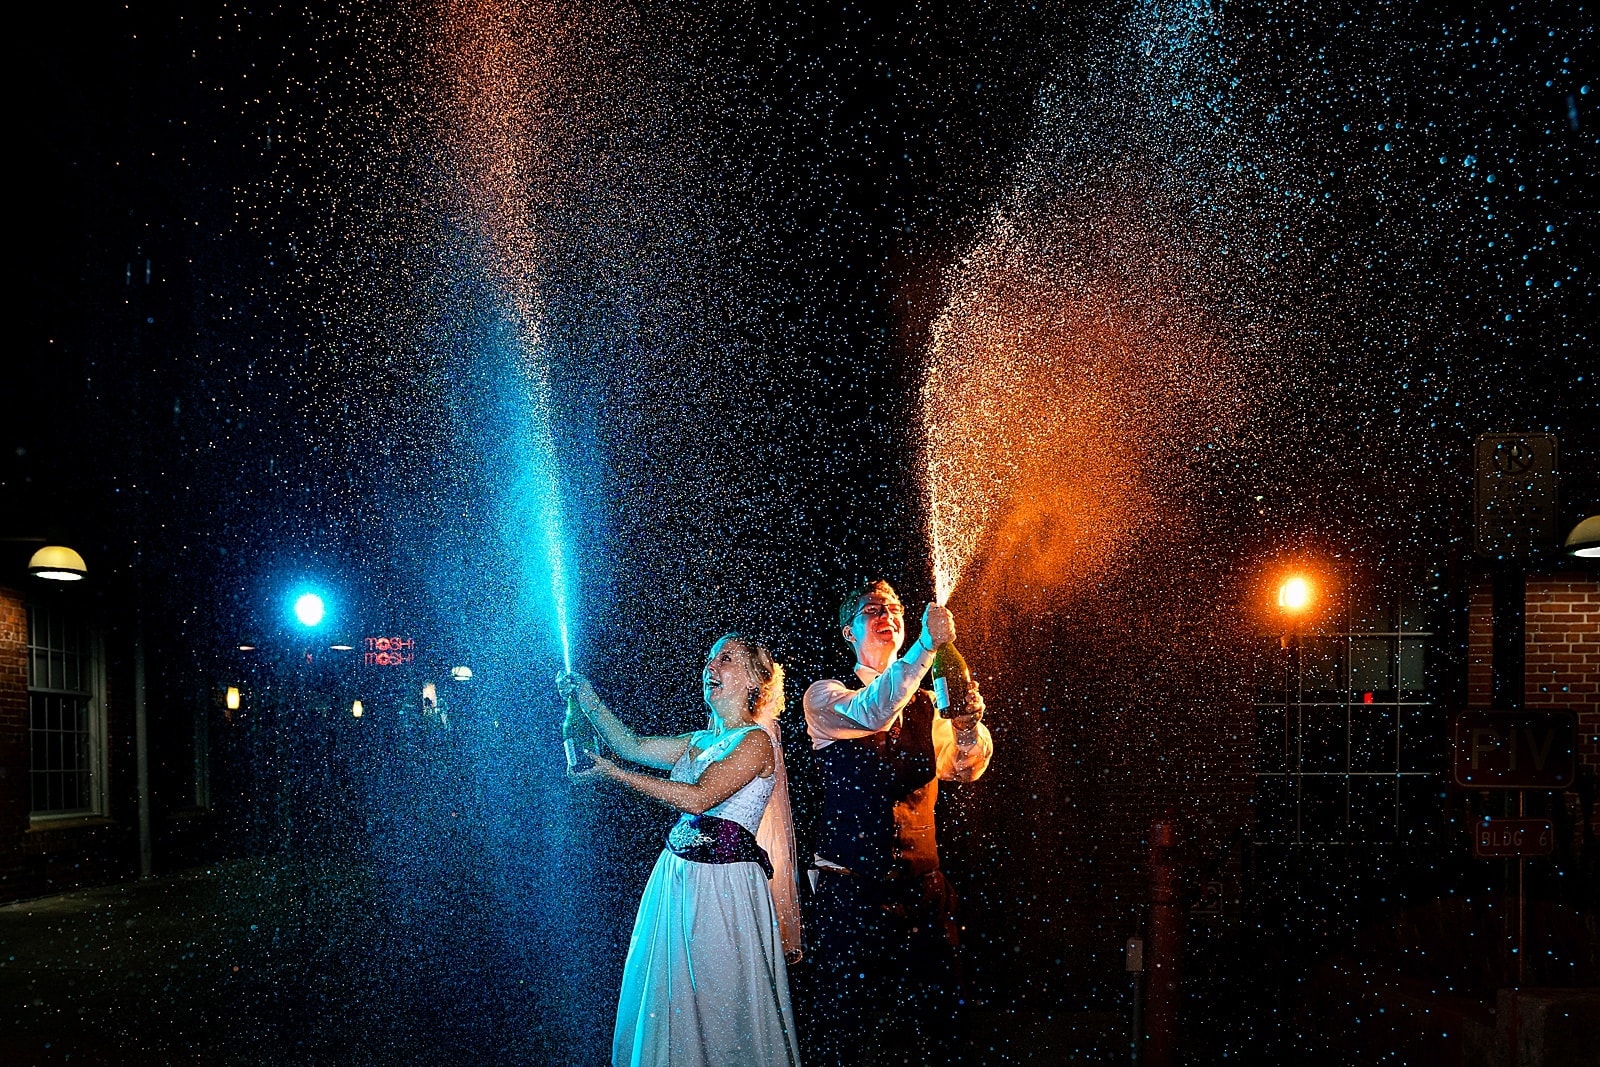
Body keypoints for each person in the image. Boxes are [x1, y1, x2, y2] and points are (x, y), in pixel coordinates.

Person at [559, 634, 802, 1067]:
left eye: (725, 659)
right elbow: (631, 745)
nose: (711, 667)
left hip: (722, 887)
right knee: (672, 998)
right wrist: (586, 697)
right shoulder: (699, 740)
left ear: (754, 679)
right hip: (676, 879)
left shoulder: (756, 741)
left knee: (719, 997)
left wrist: (616, 775)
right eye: (709, 659)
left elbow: (698, 798)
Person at [802, 580, 993, 1067]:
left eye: (895, 609)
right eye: (873, 610)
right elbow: (875, 711)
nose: (888, 615)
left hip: (924, 895)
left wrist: (967, 728)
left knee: (945, 1033)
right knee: (844, 1037)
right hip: (851, 896)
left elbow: (966, 768)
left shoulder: (930, 703)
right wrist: (927, 646)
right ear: (849, 631)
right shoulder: (825, 697)